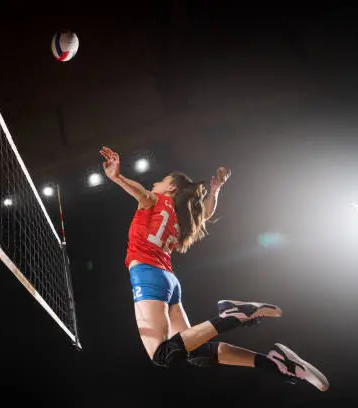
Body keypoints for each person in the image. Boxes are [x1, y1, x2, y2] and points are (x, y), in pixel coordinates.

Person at [99, 145, 329, 392]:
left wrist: (117, 177)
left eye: (161, 181)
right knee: (195, 352)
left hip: (148, 275)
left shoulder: (156, 200)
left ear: (172, 189)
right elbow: (206, 213)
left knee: (162, 355)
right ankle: (276, 364)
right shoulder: (182, 218)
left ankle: (232, 315)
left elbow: (143, 194)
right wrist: (216, 190)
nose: (155, 183)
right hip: (167, 280)